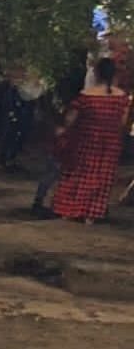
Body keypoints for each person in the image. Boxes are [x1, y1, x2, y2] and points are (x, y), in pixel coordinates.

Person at [50, 57, 131, 224]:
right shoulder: (122, 98)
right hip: (110, 143)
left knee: (79, 175)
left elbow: (70, 120)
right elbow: (122, 123)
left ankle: (70, 210)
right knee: (102, 178)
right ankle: (91, 214)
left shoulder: (86, 96)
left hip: (86, 140)